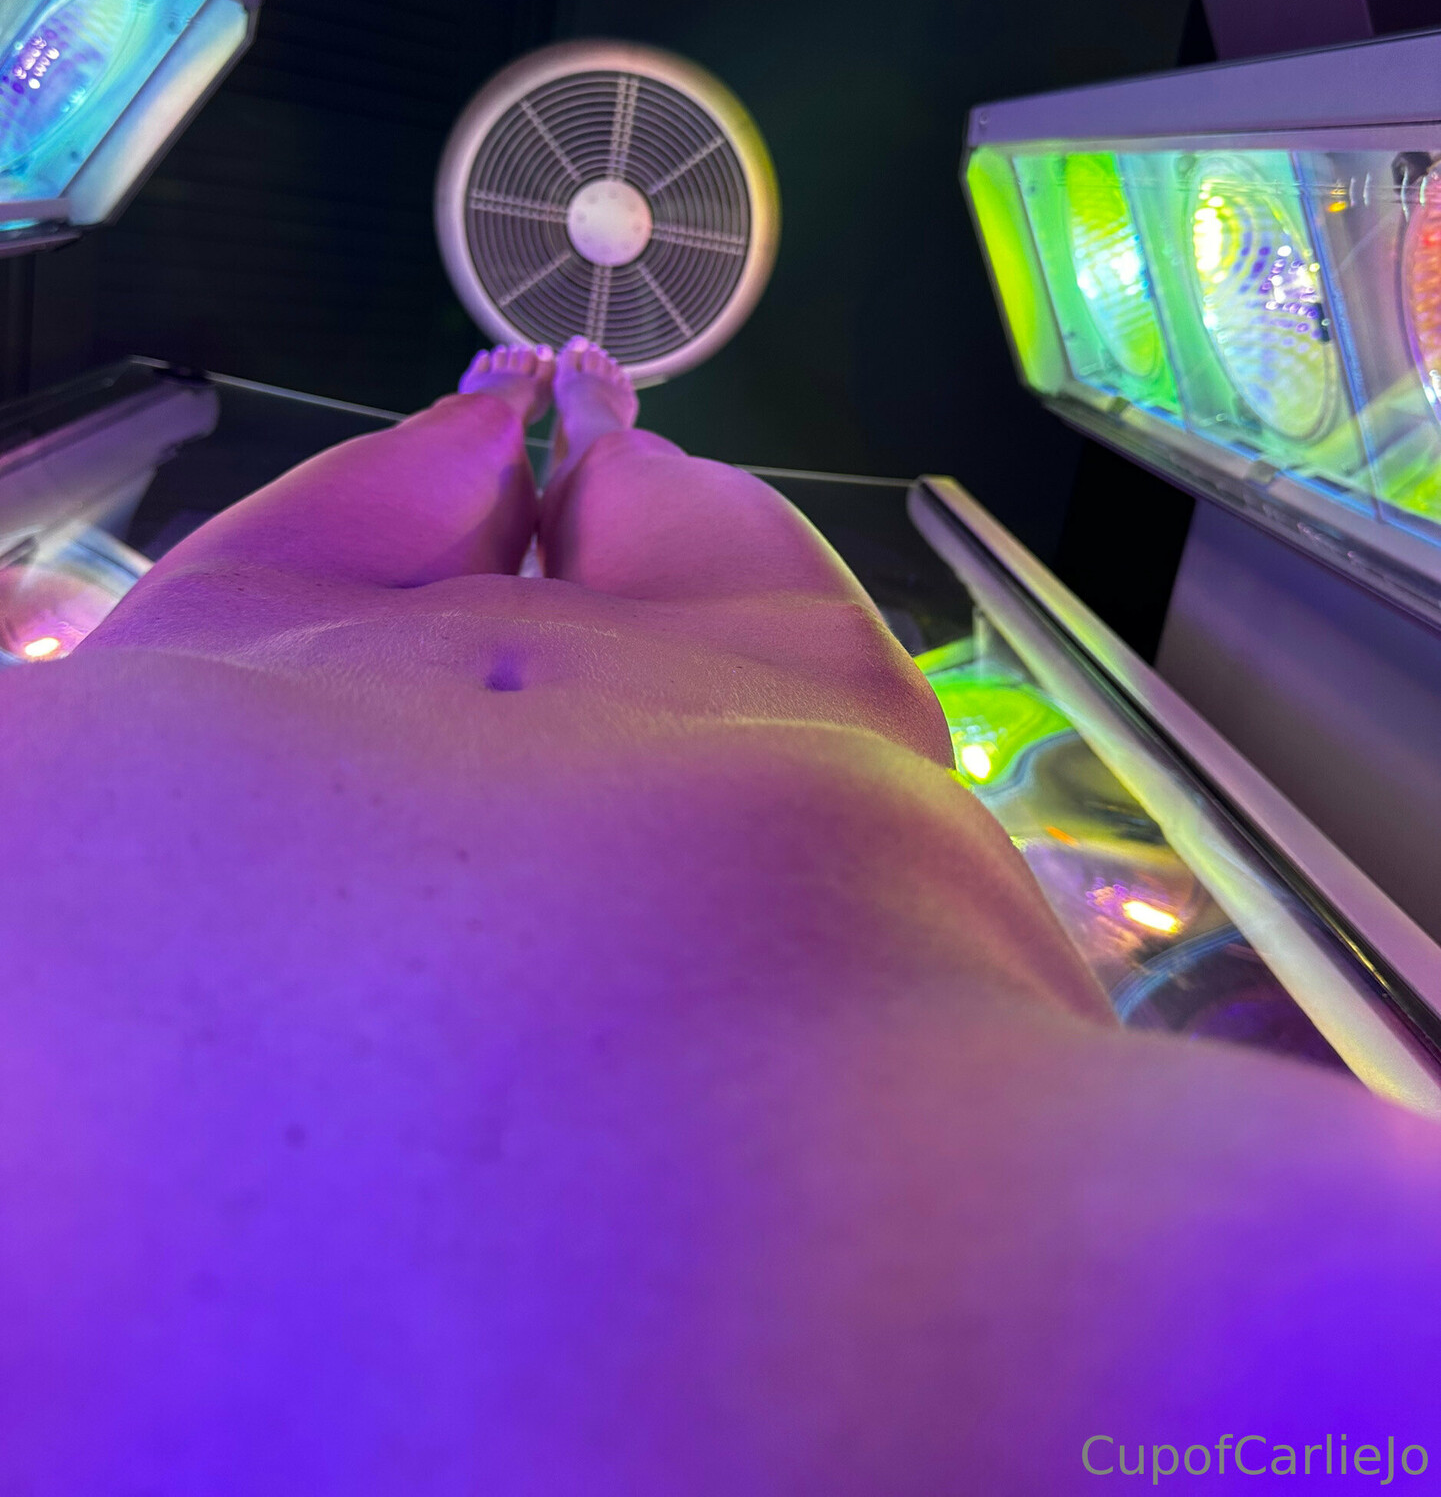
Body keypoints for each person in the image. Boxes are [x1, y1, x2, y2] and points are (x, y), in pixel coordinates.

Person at [1, 337, 1438, 1496]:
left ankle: (497, 415)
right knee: (651, 478)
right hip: (774, 696)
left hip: (233, 635)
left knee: (455, 444)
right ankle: (595, 433)